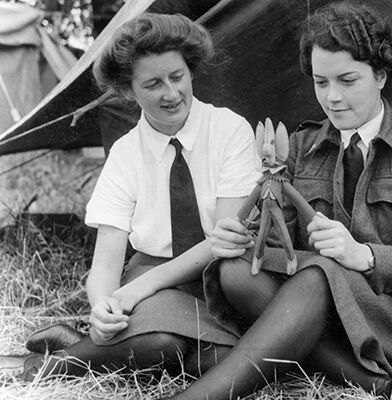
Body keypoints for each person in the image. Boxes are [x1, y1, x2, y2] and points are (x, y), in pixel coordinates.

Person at [166, 3, 392, 400]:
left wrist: (363, 256)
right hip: (307, 307)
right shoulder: (301, 145)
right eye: (321, 83)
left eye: (348, 80)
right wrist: (243, 238)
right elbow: (274, 246)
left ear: (381, 76)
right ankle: (367, 382)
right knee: (235, 269)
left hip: (390, 316)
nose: (332, 97)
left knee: (320, 273)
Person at [22, 13, 260, 381]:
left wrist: (138, 289)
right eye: (152, 84)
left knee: (208, 364)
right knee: (162, 344)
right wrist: (102, 307)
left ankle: (68, 354)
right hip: (151, 274)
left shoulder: (230, 130)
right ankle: (72, 356)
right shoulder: (125, 153)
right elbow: (105, 262)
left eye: (177, 77)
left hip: (218, 277)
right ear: (129, 91)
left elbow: (222, 241)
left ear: (190, 71)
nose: (171, 93)